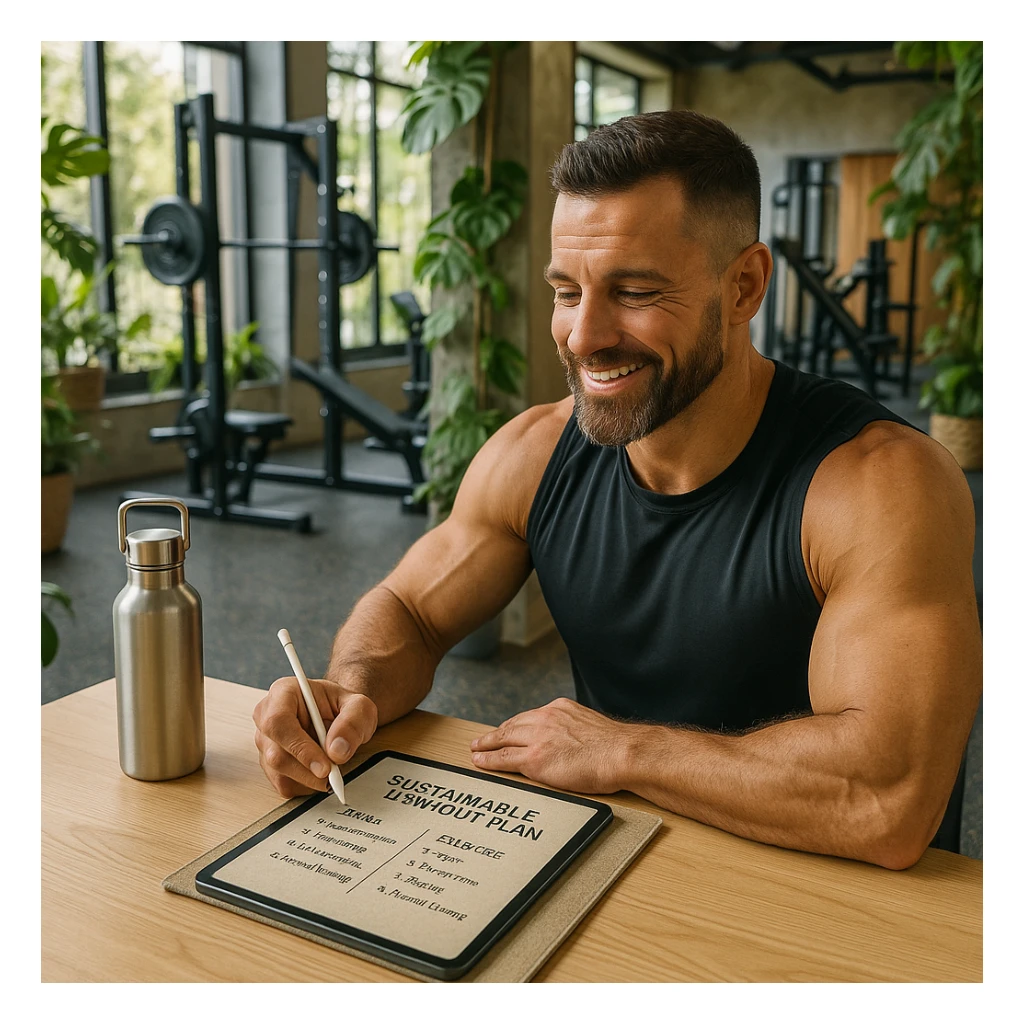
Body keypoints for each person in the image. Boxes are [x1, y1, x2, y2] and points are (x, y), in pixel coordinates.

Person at [253, 110, 981, 870]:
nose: (583, 334)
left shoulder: (878, 483)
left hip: (833, 902)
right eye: (567, 291)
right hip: (622, 864)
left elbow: (886, 799)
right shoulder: (535, 452)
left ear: (744, 286)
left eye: (634, 291)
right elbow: (410, 610)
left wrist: (626, 752)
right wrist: (347, 692)